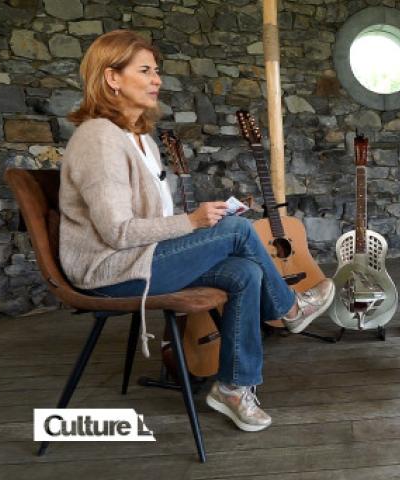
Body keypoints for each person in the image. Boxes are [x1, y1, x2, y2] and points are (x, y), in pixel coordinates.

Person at [57, 30, 335, 433]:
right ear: (112, 77)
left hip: (146, 257)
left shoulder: (142, 140)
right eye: (145, 70)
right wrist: (193, 223)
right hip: (111, 271)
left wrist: (208, 218)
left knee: (246, 271)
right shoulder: (99, 138)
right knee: (240, 232)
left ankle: (234, 387)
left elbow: (155, 217)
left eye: (158, 71)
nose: (157, 80)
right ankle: (290, 308)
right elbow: (116, 231)